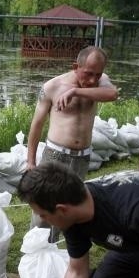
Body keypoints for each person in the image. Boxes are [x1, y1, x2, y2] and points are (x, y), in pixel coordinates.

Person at [25, 45, 119, 238]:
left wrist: (76, 92)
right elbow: (36, 126)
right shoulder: (52, 87)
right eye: (88, 73)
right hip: (55, 155)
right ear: (76, 66)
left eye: (98, 75)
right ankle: (35, 251)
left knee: (70, 206)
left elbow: (113, 94)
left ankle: (60, 251)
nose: (93, 80)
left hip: (82, 157)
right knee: (44, 205)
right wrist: (31, 161)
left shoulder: (101, 82)